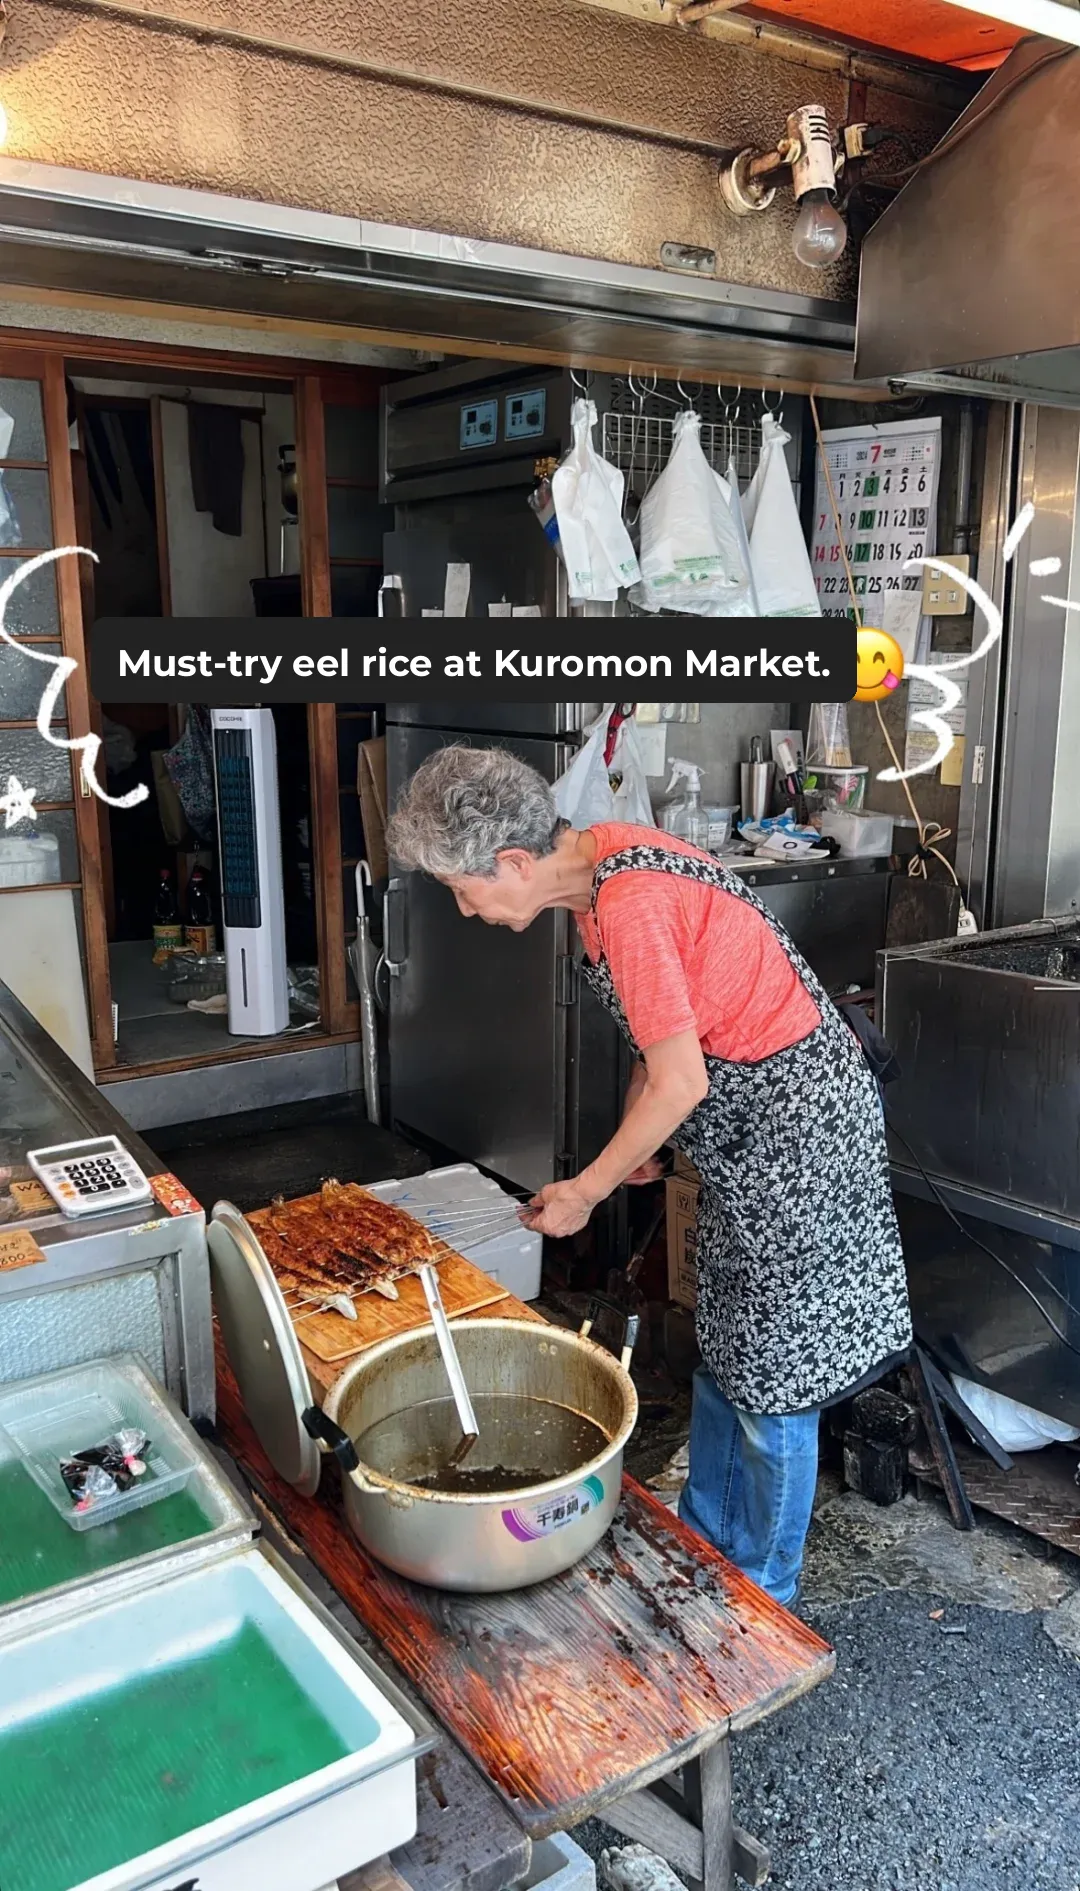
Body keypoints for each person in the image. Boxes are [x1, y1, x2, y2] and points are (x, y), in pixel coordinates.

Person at [385, 744, 912, 1608]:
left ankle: (766, 1593)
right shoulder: (599, 868)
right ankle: (706, 1535)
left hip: (800, 1134)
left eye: (460, 889)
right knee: (729, 1344)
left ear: (512, 862)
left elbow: (682, 1080)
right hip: (746, 1133)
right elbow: (659, 1038)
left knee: (779, 1380)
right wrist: (639, 1148)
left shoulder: (629, 901)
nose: (465, 908)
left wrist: (588, 1188)